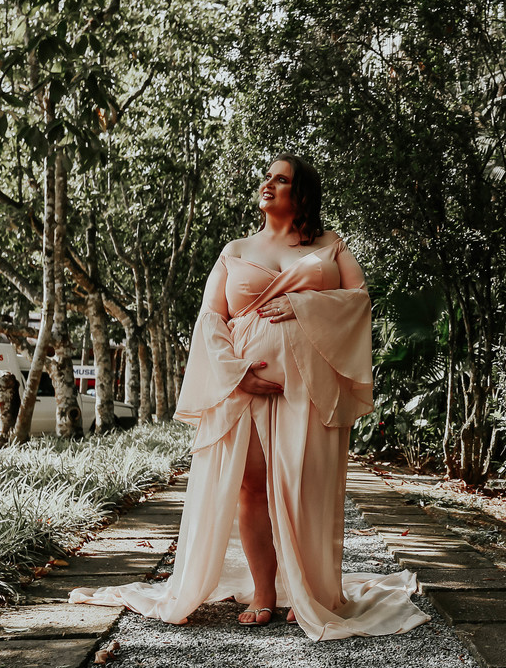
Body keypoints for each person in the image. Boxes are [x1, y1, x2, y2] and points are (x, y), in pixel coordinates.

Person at [70, 154, 429, 640]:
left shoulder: (330, 246)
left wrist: (302, 305)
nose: (268, 184)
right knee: (251, 486)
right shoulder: (235, 250)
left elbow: (358, 299)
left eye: (281, 179)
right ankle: (264, 592)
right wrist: (237, 375)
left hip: (308, 388)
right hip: (245, 388)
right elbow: (210, 318)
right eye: (267, 177)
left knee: (305, 487)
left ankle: (310, 592)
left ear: (301, 194)